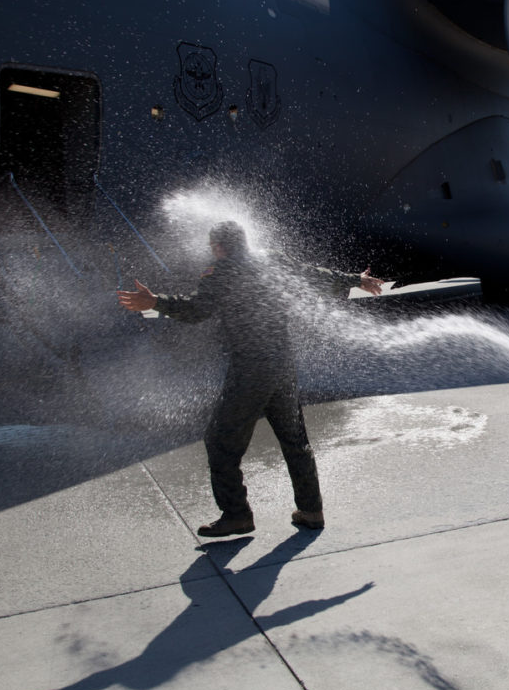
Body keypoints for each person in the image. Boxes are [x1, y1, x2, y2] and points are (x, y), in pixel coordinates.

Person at [117, 220, 384, 537]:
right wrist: (356, 279)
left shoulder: (222, 271)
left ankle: (237, 515)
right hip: (282, 363)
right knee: (295, 441)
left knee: (219, 442)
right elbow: (315, 275)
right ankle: (311, 510)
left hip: (252, 368)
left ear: (218, 246)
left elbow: (196, 310)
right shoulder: (271, 258)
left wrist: (155, 302)